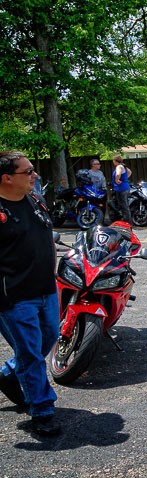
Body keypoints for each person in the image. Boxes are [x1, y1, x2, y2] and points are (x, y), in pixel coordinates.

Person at [0, 151, 61, 436]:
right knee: (31, 354)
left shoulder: (35, 199)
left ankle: (8, 374)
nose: (34, 175)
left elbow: (47, 235)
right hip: (14, 297)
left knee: (48, 338)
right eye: (28, 172)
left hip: (46, 289)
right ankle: (42, 410)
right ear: (6, 178)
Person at [110, 154, 131, 223]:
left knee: (123, 206)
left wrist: (117, 180)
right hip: (126, 187)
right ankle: (124, 221)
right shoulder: (124, 166)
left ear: (115, 161)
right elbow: (130, 172)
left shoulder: (119, 166)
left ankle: (127, 222)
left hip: (121, 188)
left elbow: (118, 174)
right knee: (124, 205)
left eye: (113, 161)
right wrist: (125, 178)